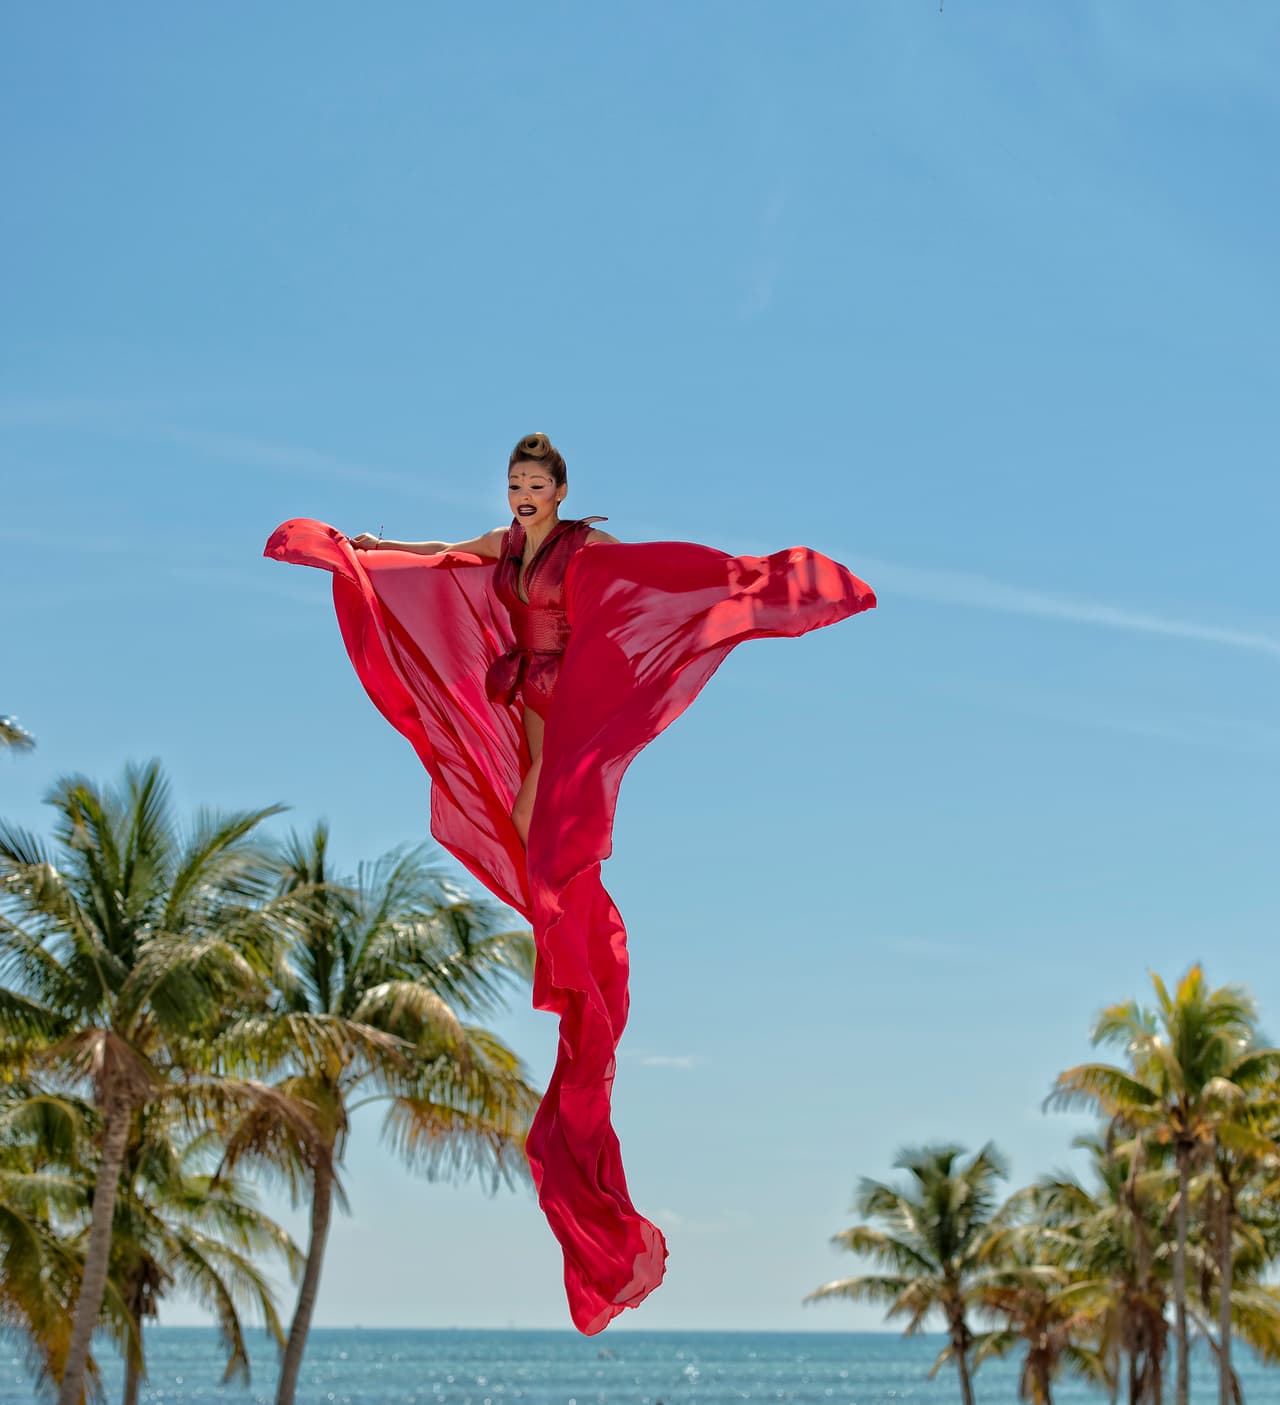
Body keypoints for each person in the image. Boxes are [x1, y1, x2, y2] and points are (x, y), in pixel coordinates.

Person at [263, 431, 875, 1336]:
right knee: (522, 828)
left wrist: (746, 583)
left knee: (547, 832)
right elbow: (439, 557)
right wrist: (359, 552)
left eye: (534, 483)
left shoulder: (586, 547)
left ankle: (561, 915)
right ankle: (554, 914)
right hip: (527, 701)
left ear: (560, 488)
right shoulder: (507, 546)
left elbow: (659, 577)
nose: (520, 494)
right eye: (512, 483)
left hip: (570, 699)